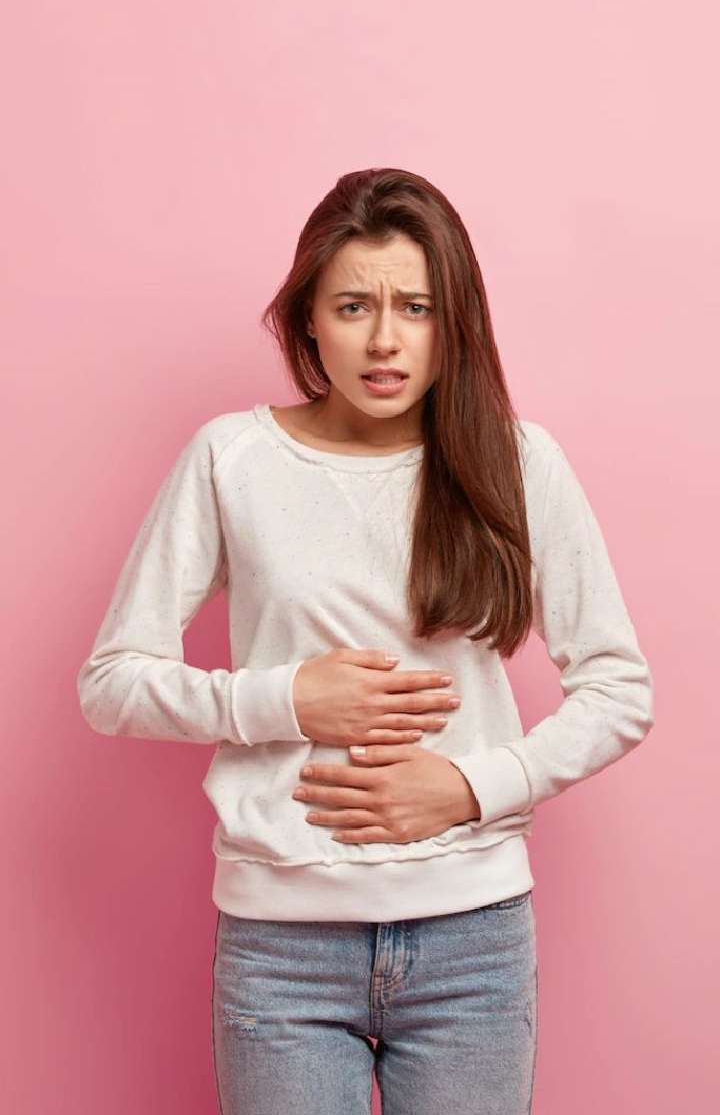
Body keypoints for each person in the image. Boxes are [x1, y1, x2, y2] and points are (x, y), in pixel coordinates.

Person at [76, 167, 654, 1114]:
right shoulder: (234, 459)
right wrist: (284, 699)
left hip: (473, 940)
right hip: (282, 951)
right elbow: (112, 682)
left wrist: (471, 786)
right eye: (353, 306)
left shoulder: (516, 462)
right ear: (308, 320)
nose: (385, 340)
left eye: (416, 307)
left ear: (453, 319)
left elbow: (620, 687)